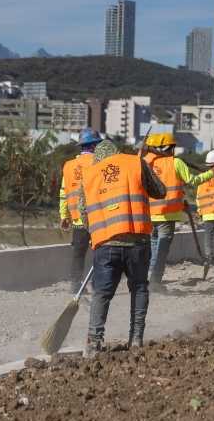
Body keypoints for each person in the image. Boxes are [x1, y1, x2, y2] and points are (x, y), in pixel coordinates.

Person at [78, 139, 165, 357]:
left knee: (102, 293)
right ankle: (136, 339)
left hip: (106, 244)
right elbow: (160, 191)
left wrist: (97, 233)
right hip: (138, 242)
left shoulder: (89, 174)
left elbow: (83, 212)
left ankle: (94, 342)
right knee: (139, 288)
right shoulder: (135, 163)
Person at [142, 133, 214, 292]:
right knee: (161, 251)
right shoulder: (176, 162)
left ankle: (149, 279)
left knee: (154, 247)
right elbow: (192, 181)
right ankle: (154, 282)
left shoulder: (145, 163)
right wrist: (212, 173)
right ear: (169, 148)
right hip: (167, 216)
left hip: (148, 215)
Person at [59, 128, 102, 294]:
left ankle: (75, 285)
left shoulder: (69, 166)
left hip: (77, 220)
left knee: (78, 254)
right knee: (100, 254)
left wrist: (64, 215)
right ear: (94, 145)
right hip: (97, 219)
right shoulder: (100, 163)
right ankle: (97, 285)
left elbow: (63, 192)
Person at [196, 150, 214, 266]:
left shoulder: (202, 178)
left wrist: (199, 211)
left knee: (208, 238)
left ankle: (209, 258)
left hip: (207, 213)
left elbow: (198, 197)